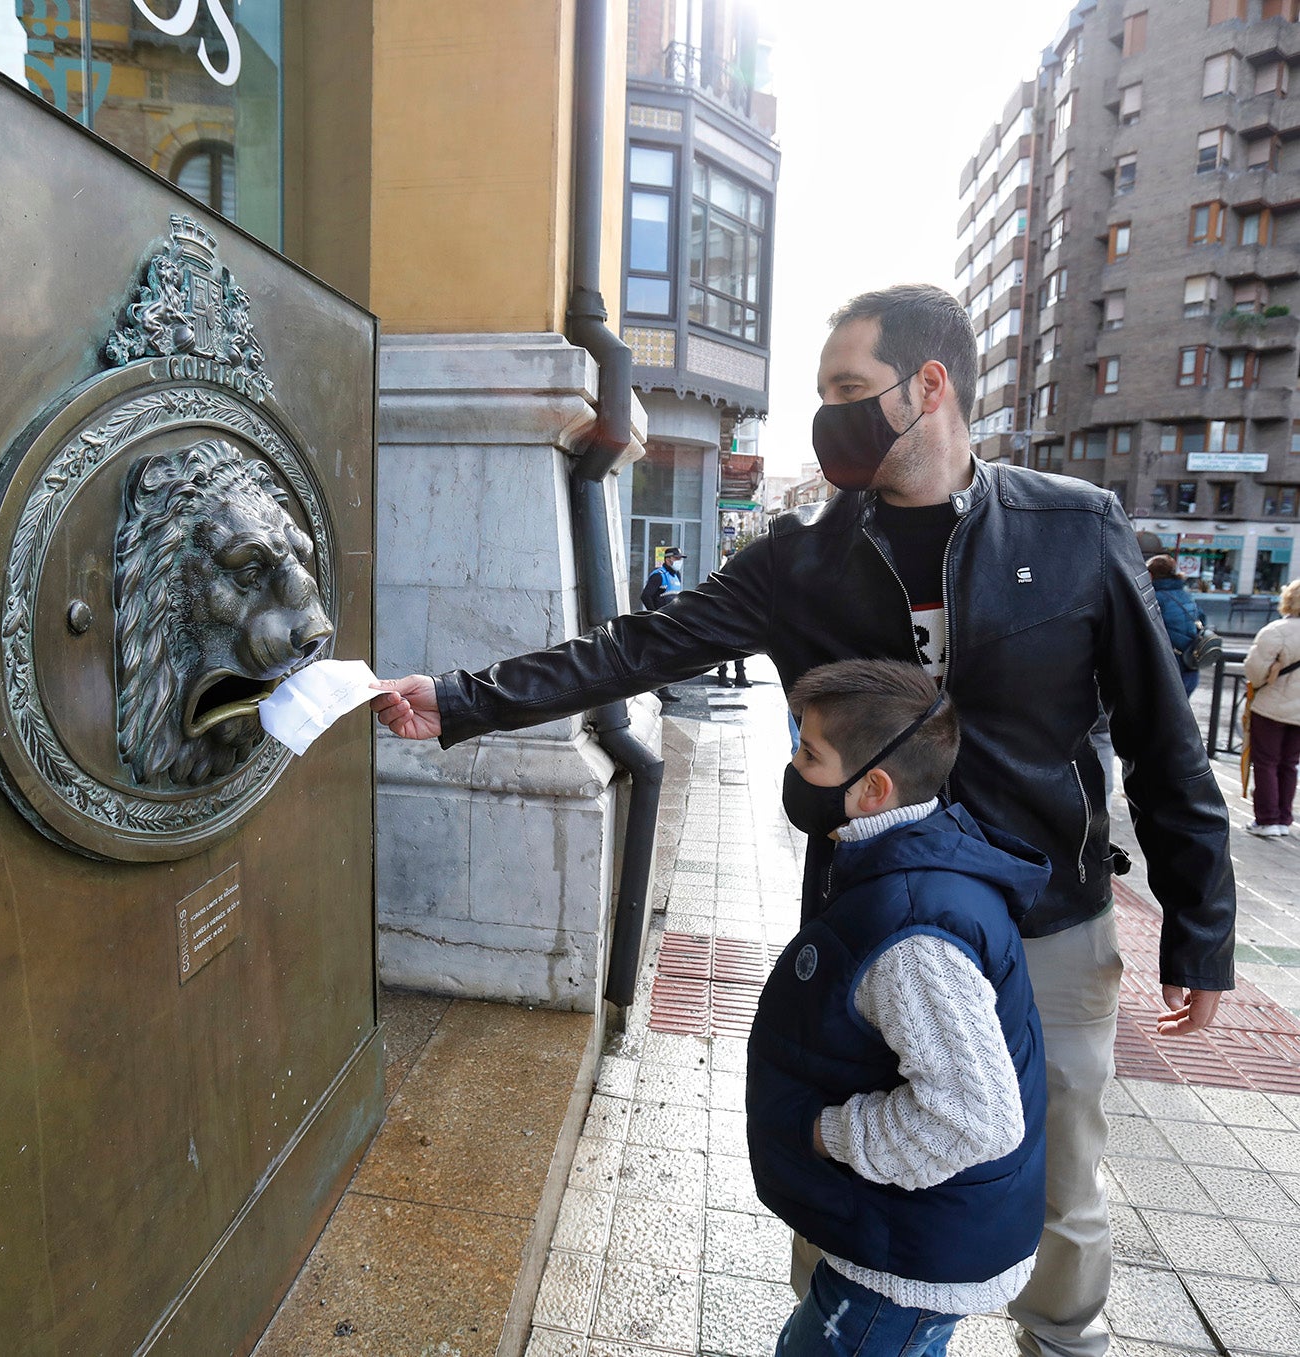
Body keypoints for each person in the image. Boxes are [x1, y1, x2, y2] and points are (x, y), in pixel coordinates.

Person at [372, 283, 1236, 1357]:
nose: (827, 415)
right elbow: (637, 647)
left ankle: (1063, 1341)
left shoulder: (1073, 529)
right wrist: (459, 697)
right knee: (858, 1176)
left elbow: (1163, 736)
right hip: (874, 930)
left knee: (1058, 1185)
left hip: (1047, 921)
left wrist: (1200, 925)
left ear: (930, 387)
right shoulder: (801, 559)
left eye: (847, 390)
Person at [750, 659, 1049, 1357]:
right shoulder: (908, 861)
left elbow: (973, 1117)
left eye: (809, 753)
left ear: (872, 790)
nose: (795, 768)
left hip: (905, 1264)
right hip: (909, 1236)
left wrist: (825, 1132)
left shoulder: (912, 931)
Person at [1242, 578, 1300, 838]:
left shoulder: (1276, 630)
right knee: (1290, 763)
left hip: (1271, 706)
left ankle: (1267, 819)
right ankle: (1284, 819)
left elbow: (1255, 671)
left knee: (1266, 762)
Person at [1147, 555, 1204, 697]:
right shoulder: (1186, 595)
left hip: (1168, 671)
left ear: (1150, 575)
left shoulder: (1154, 599)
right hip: (1189, 666)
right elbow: (1201, 620)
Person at [639, 546, 685, 703]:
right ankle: (654, 687)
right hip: (661, 622)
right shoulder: (658, 576)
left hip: (670, 622)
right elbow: (645, 596)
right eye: (677, 558)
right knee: (658, 655)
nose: (679, 562)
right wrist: (655, 615)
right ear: (668, 559)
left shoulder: (676, 575)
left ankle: (663, 688)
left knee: (667, 656)